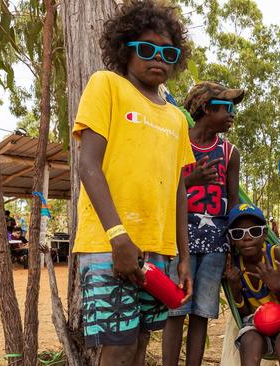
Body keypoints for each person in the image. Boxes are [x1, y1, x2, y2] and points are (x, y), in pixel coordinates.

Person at [71, 2, 194, 365]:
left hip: (158, 251)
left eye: (168, 52)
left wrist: (184, 258)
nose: (158, 59)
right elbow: (88, 164)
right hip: (109, 245)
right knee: (119, 347)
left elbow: (178, 190)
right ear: (125, 50)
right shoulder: (106, 85)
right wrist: (118, 236)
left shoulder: (176, 118)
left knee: (140, 343)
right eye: (147, 49)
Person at [162, 81, 243, 366]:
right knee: (175, 310)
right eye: (226, 107)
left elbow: (232, 201)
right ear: (207, 108)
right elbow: (162, 189)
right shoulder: (175, 141)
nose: (232, 113)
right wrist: (190, 181)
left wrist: (235, 245)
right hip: (177, 239)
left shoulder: (230, 152)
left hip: (215, 244)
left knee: (202, 314)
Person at [223, 204, 280, 365]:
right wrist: (236, 291)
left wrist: (277, 288)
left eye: (254, 231)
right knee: (249, 340)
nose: (247, 237)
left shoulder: (279, 256)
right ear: (231, 239)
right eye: (238, 233)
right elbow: (244, 315)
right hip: (254, 324)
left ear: (264, 233)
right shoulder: (234, 266)